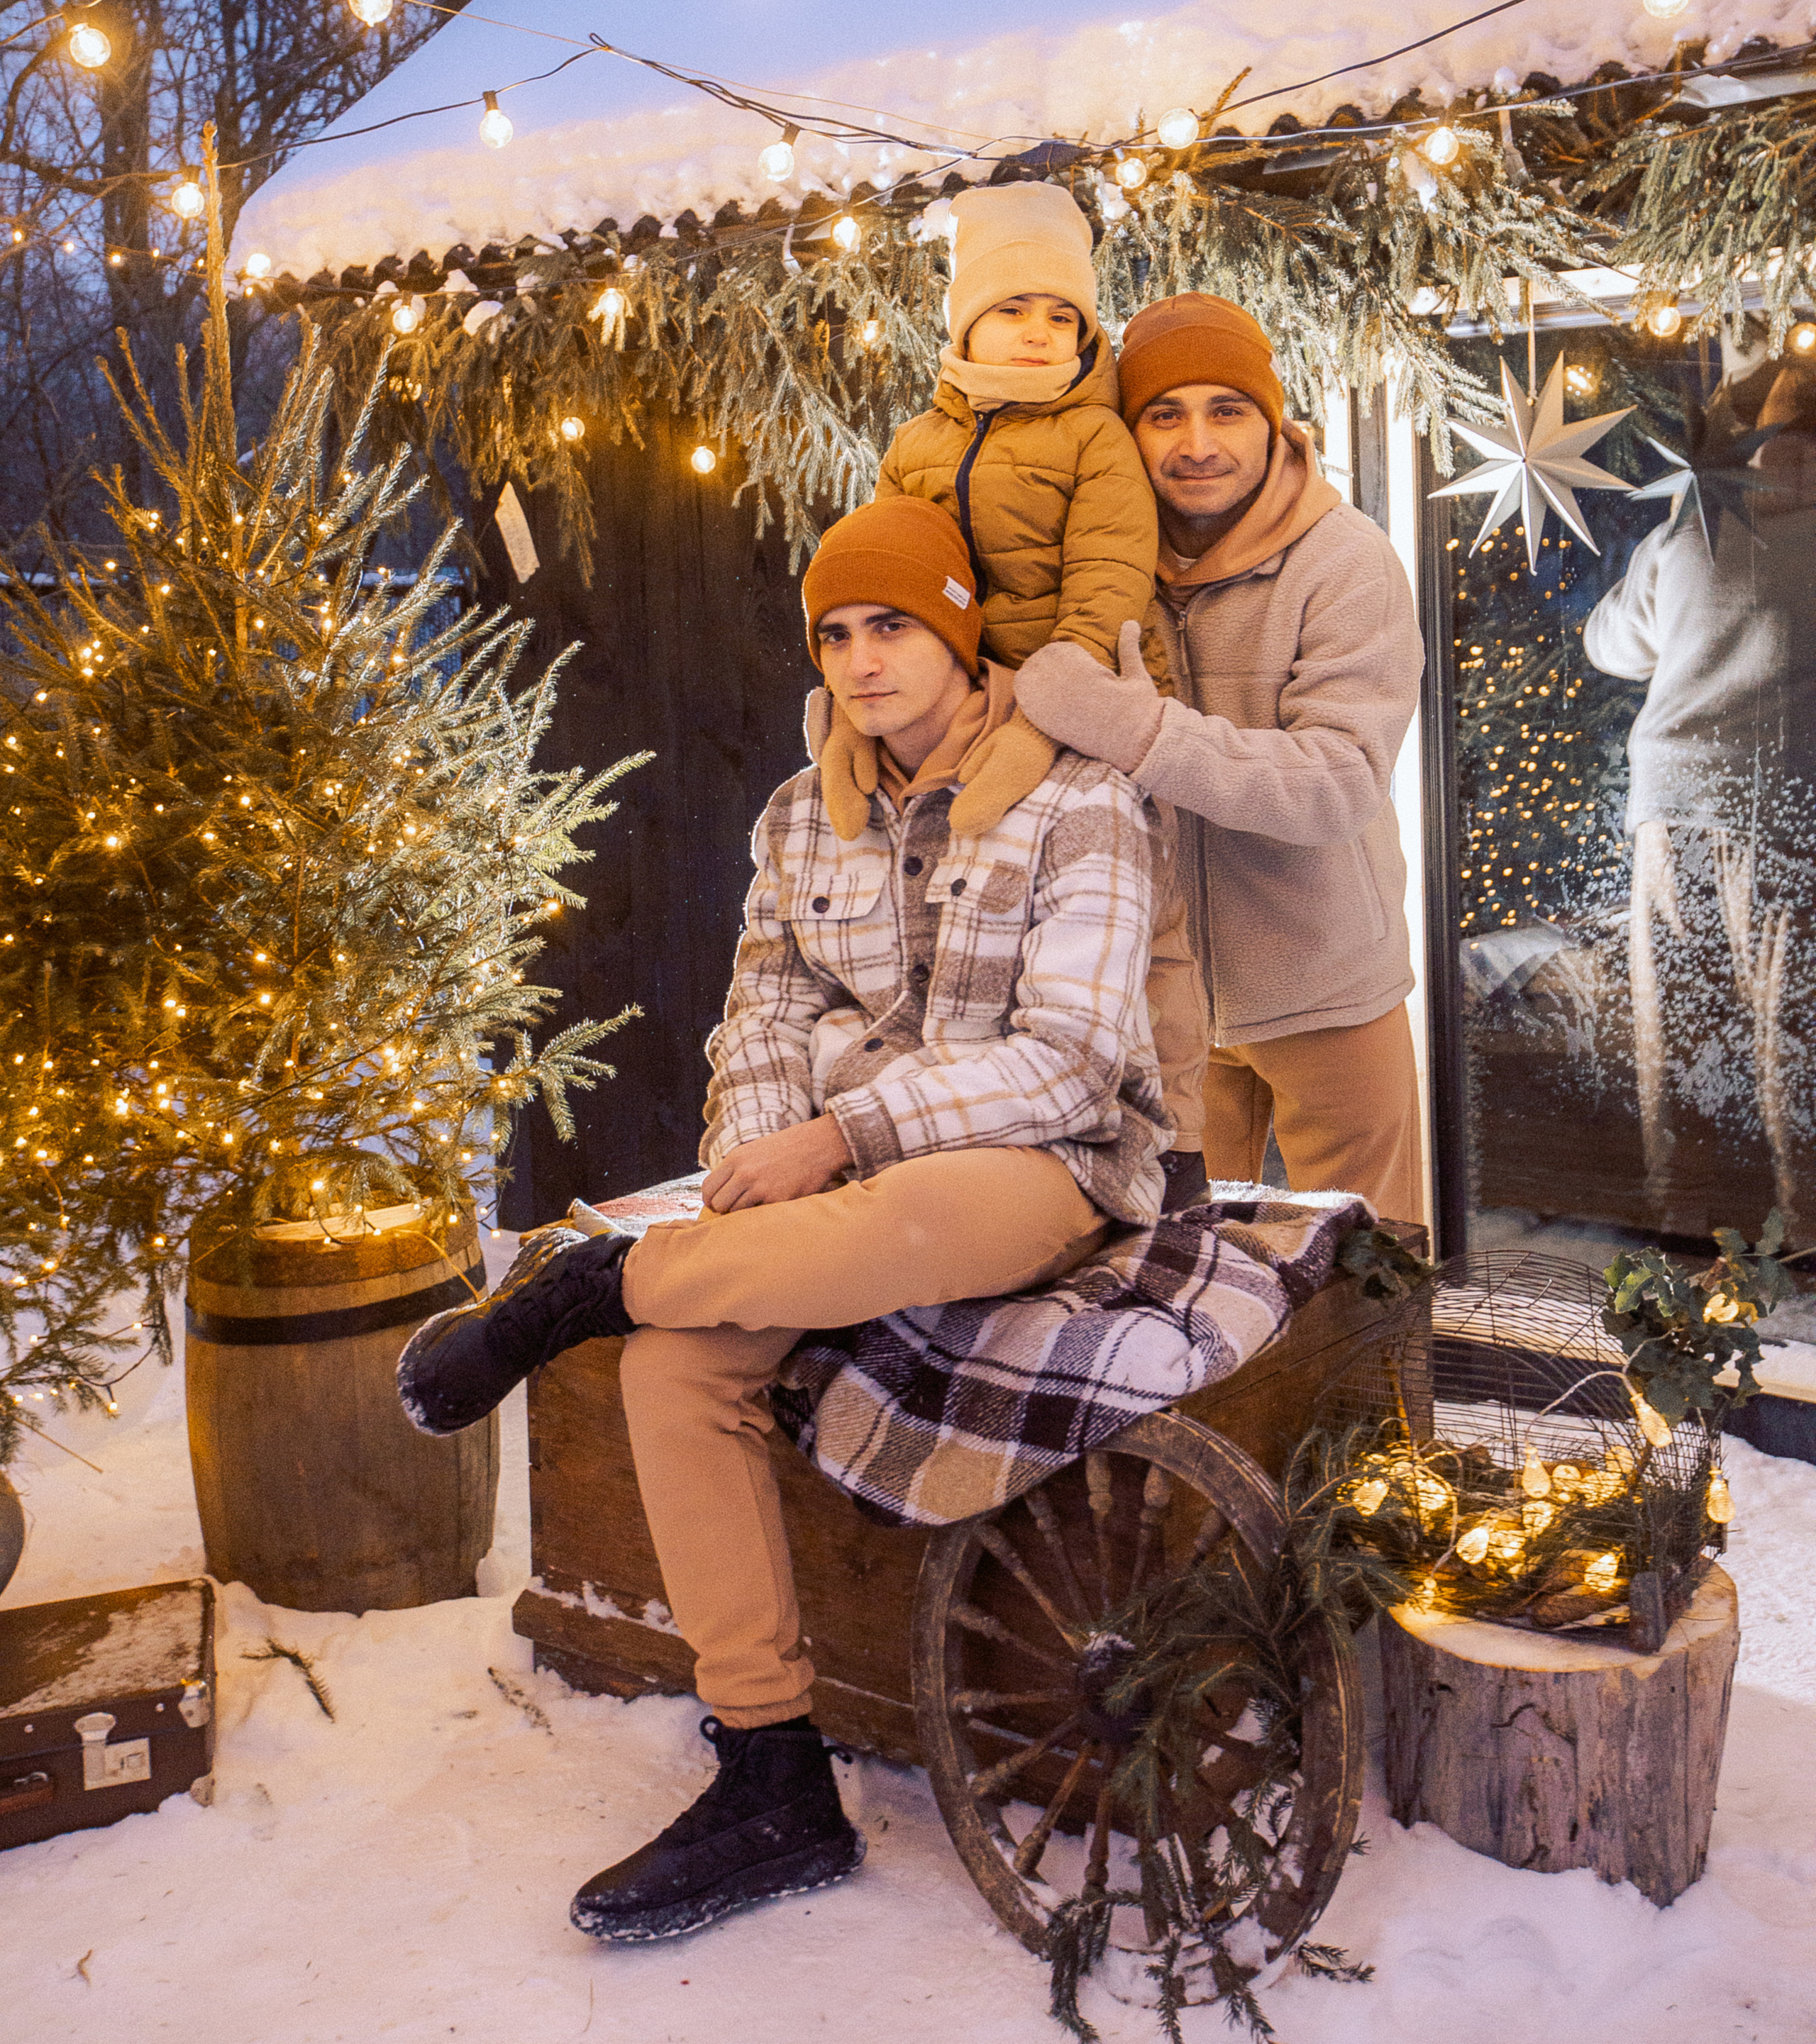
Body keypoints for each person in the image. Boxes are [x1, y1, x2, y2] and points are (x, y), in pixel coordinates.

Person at [398, 494, 1169, 1943]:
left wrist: (846, 1135)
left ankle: (588, 1284)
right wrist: (765, 1151)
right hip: (834, 1185)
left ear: (958, 636)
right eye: (835, 634)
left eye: (894, 627)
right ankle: (771, 1775)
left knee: (899, 1216)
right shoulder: (800, 815)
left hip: (1031, 1160)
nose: (862, 660)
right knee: (673, 1366)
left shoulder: (1083, 803)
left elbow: (1070, 1061)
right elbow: (760, 1018)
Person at [1014, 292, 1426, 1226]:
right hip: (1155, 997)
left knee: (1373, 1270)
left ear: (1271, 419)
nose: (1197, 443)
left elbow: (1339, 784)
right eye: (1165, 415)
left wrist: (1145, 735)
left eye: (1226, 410)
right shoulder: (1100, 570)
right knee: (1177, 1265)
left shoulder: (1345, 562)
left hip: (1327, 987)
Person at [1583, 350, 1816, 1228]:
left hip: (1675, 805)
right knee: (1794, 1033)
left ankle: (1692, 1233)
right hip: (1792, 803)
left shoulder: (1692, 528)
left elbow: (1610, 644)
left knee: (1682, 1028)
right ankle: (1802, 1239)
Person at [861, 177, 1167, 839]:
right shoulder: (915, 445)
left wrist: (1041, 721)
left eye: (1062, 318)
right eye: (1012, 310)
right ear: (968, 324)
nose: (1039, 334)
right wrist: (869, 714)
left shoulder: (1094, 435)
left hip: (1078, 700)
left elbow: (1109, 583)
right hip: (958, 702)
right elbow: (885, 581)